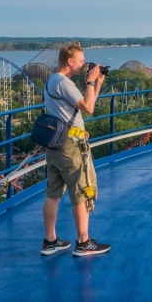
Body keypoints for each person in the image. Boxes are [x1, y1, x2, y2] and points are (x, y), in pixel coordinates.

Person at [40, 42, 112, 257]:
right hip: (71, 147)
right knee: (81, 193)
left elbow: (89, 104)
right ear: (70, 61)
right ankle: (83, 242)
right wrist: (89, 81)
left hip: (54, 144)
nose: (84, 65)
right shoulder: (64, 83)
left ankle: (50, 241)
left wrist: (96, 83)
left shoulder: (51, 81)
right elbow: (88, 108)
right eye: (81, 61)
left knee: (53, 193)